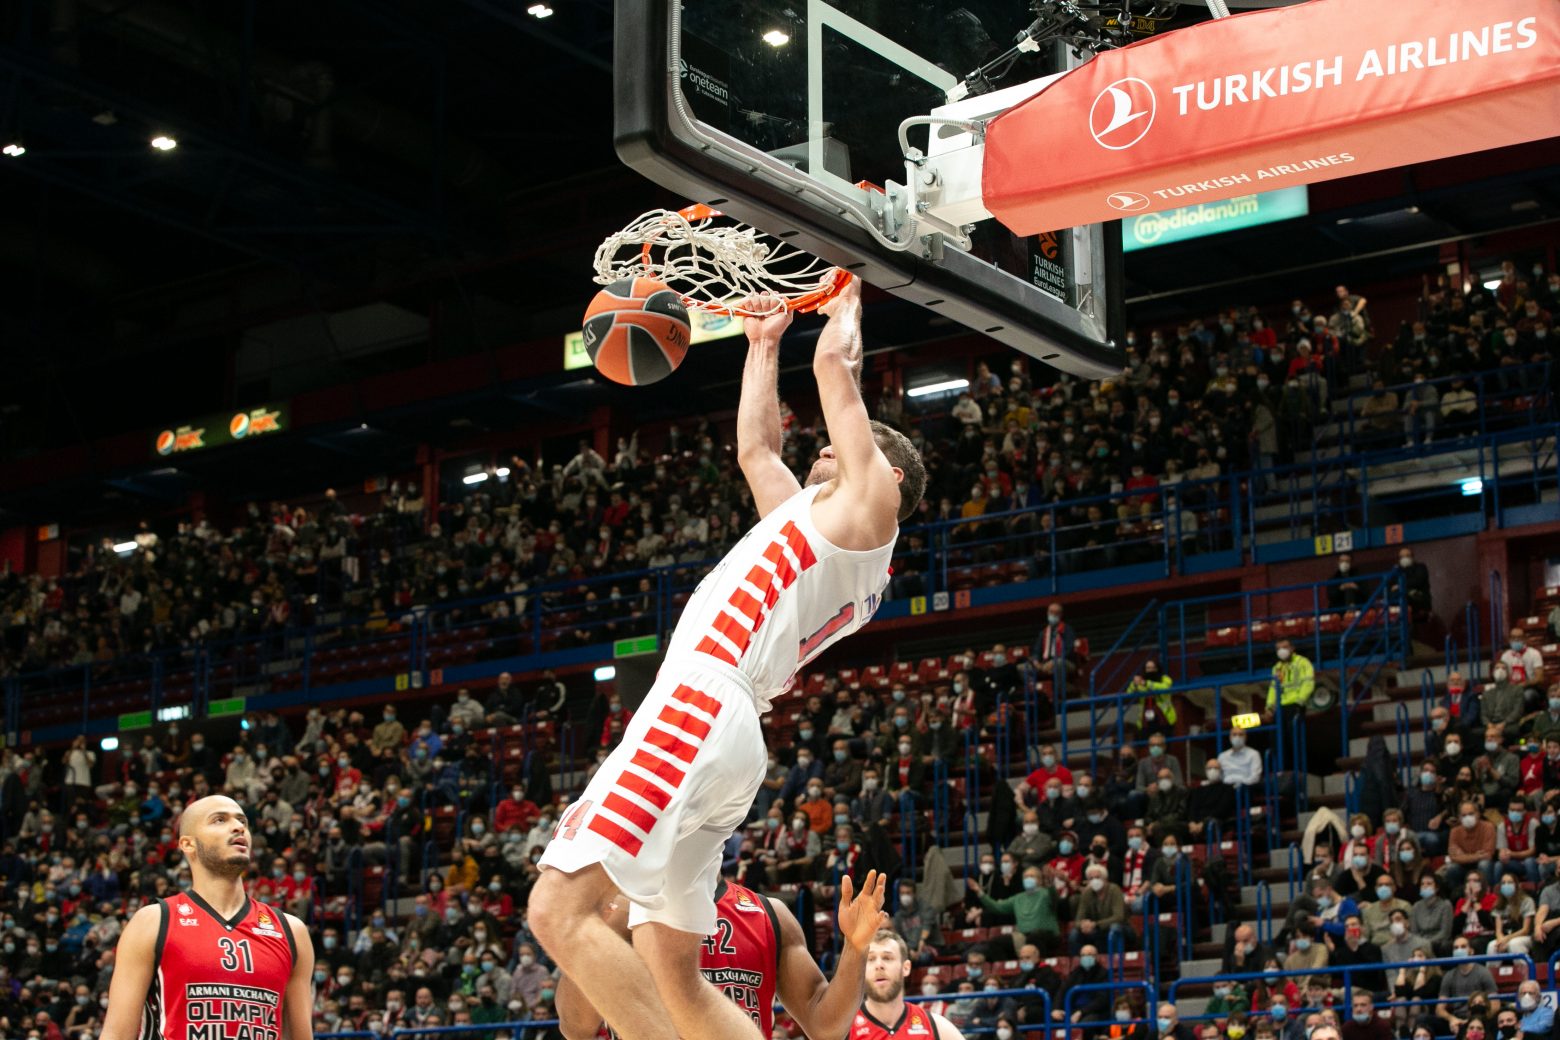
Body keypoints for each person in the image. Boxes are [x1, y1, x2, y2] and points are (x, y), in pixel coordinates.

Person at [531, 280, 925, 1040]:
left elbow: (835, 368)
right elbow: (756, 449)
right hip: (728, 725)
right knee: (674, 971)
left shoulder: (870, 509)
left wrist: (846, 291)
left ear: (889, 474)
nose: (822, 448)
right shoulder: (819, 526)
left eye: (839, 446)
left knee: (557, 909)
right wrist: (763, 342)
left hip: (702, 702)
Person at [556, 869, 887, 1040]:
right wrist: (590, 935)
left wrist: (856, 947)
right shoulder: (624, 913)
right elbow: (576, 1028)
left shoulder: (769, 914)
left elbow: (825, 1028)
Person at [100, 795, 315, 1040]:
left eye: (242, 821)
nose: (238, 827)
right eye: (219, 820)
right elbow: (116, 1034)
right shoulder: (153, 921)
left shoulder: (291, 930)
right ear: (188, 844)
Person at [851, 929, 968, 1040]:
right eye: (871, 959)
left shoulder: (936, 1026)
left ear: (906, 968)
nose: (879, 965)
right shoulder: (846, 1029)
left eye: (887, 958)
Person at [1264, 639, 1315, 720]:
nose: (1281, 651)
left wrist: (1300, 702)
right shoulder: (1277, 668)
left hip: (1296, 704)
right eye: (1278, 649)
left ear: (1292, 648)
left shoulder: (1302, 662)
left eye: (1284, 647)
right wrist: (1269, 707)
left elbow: (1308, 683)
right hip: (1281, 707)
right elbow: (1273, 689)